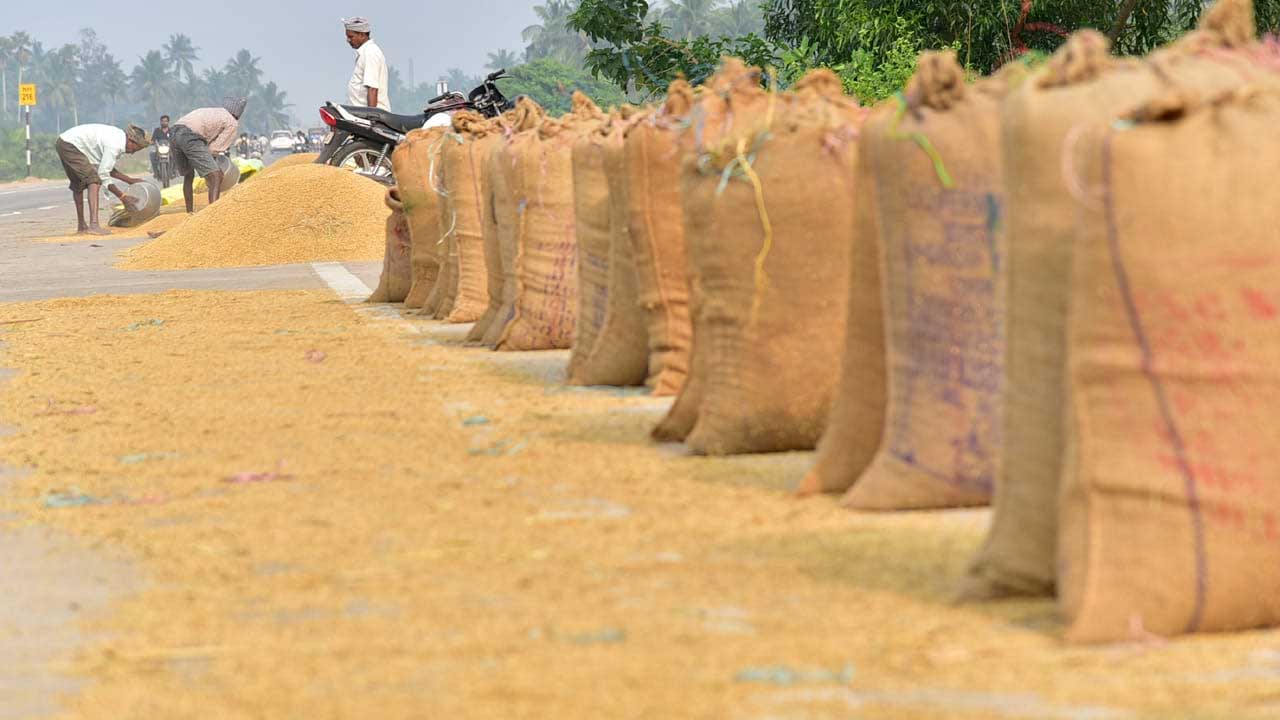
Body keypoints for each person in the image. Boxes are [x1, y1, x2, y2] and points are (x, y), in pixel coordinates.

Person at [55, 123, 149, 236]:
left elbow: (107, 168)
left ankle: (82, 226)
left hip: (65, 142)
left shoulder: (117, 138)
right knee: (94, 181)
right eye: (135, 149)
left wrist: (129, 180)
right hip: (71, 145)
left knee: (78, 184)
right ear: (131, 141)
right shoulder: (115, 145)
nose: (133, 153)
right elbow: (103, 174)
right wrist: (123, 197)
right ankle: (94, 225)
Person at [170, 96, 246, 213]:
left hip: (174, 133)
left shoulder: (214, 112)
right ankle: (212, 216)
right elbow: (214, 148)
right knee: (216, 175)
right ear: (238, 113)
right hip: (190, 136)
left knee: (188, 174)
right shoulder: (232, 122)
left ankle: (189, 213)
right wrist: (214, 168)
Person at [343, 17, 390, 111]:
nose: (348, 40)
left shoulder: (370, 53)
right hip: (360, 114)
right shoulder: (365, 53)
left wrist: (371, 117)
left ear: (362, 35)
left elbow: (372, 88)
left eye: (351, 37)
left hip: (370, 117)